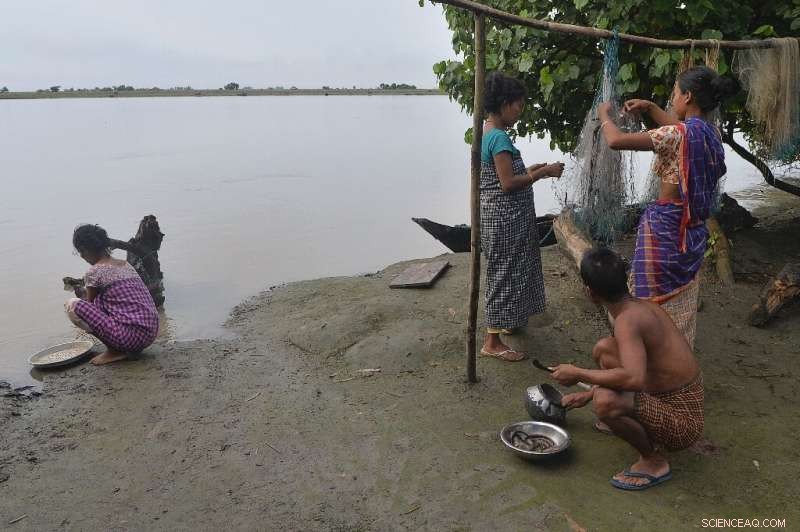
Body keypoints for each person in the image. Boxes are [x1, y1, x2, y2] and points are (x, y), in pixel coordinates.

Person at [597, 66, 738, 347]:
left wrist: (603, 115)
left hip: (666, 229)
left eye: (674, 94)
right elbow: (676, 129)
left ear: (687, 97)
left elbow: (615, 140)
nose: (672, 100)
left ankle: (647, 360)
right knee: (680, 300)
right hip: (693, 230)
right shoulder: (713, 135)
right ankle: (676, 357)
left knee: (650, 299)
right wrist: (649, 107)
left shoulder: (677, 135)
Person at [552, 247, 703, 490]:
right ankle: (625, 420)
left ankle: (653, 461)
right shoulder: (636, 307)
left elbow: (633, 378)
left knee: (605, 402)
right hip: (667, 396)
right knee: (604, 349)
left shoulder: (627, 321)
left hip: (684, 423)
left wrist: (578, 373)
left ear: (590, 293)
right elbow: (636, 369)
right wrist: (587, 393)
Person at [479, 71, 565, 362]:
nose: (520, 112)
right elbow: (507, 183)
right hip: (504, 220)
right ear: (504, 103)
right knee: (502, 274)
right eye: (518, 106)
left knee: (509, 270)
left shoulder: (487, 132)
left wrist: (531, 169)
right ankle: (492, 342)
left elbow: (506, 175)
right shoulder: (499, 137)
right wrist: (542, 173)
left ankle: (509, 319)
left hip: (501, 218)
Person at [65, 224, 159, 365]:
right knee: (104, 299)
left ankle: (115, 350)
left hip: (130, 337)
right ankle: (124, 347)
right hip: (150, 333)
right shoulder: (125, 264)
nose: (82, 257)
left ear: (84, 250)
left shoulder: (94, 271)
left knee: (73, 305)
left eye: (81, 252)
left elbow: (89, 308)